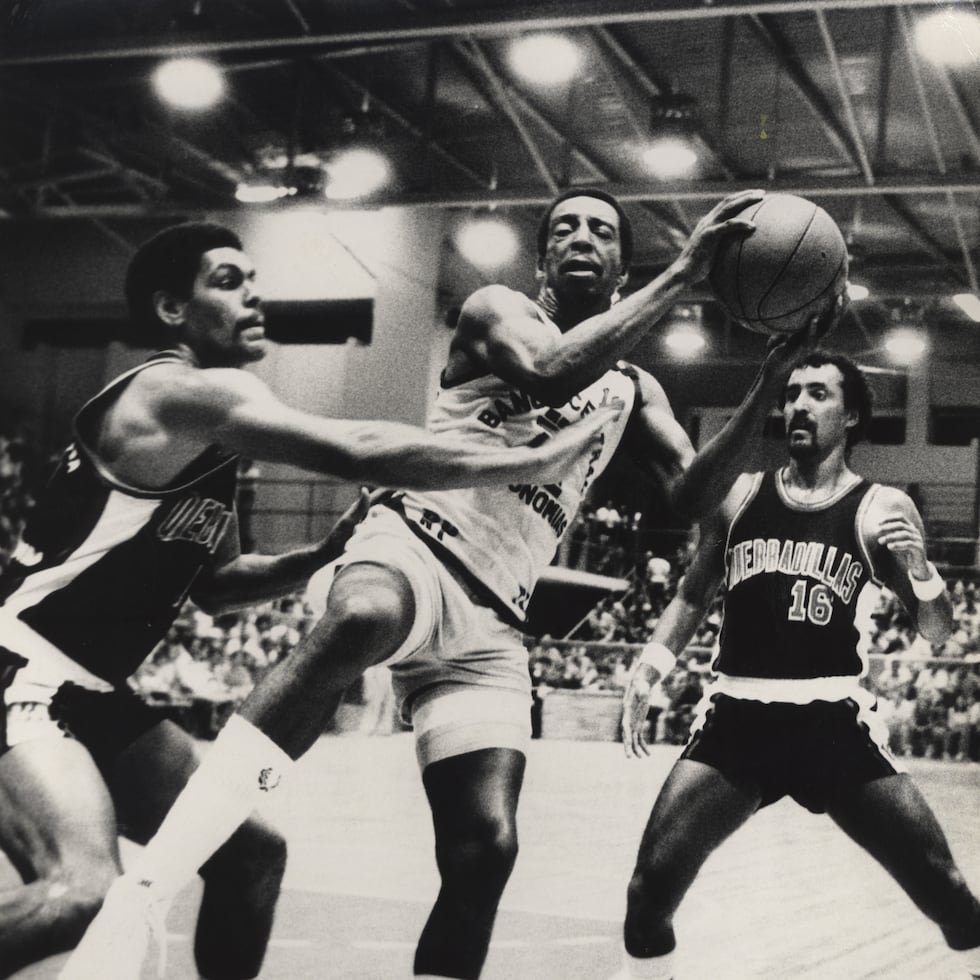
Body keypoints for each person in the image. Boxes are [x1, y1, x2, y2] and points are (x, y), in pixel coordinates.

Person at [63, 187, 833, 980]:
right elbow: (549, 375)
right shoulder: (498, 309)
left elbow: (690, 497)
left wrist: (769, 381)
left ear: (616, 263)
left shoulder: (636, 389)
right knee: (361, 616)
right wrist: (686, 272)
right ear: (542, 261)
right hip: (415, 547)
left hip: (493, 620)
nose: (579, 236)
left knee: (485, 850)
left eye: (599, 230)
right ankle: (151, 887)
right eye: (563, 226)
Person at [0, 220, 618, 980]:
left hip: (91, 691)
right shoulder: (175, 391)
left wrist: (321, 556)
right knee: (81, 891)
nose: (254, 292)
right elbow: (351, 446)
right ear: (170, 310)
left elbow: (220, 591)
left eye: (253, 278)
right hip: (22, 669)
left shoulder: (210, 445)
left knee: (250, 856)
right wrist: (525, 460)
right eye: (227, 281)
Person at [616, 350, 980, 980]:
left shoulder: (880, 508)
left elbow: (939, 629)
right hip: (737, 720)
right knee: (648, 893)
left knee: (944, 887)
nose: (799, 406)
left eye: (819, 394)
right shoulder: (739, 496)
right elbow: (692, 594)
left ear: (853, 415)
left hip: (830, 724)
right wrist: (648, 670)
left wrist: (922, 574)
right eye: (792, 394)